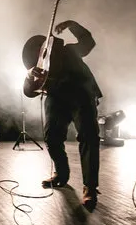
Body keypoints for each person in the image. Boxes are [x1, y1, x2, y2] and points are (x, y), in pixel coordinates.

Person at [22, 20, 102, 211]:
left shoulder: (68, 51)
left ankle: (90, 187)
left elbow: (88, 42)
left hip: (81, 95)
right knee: (52, 137)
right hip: (57, 98)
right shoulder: (39, 67)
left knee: (89, 138)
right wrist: (29, 76)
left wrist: (72, 25)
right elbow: (29, 92)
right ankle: (61, 174)